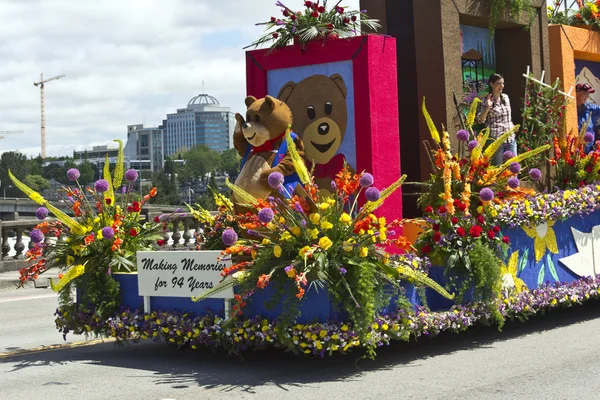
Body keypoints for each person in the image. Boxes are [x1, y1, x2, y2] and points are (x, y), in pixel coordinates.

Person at [477, 74, 517, 166]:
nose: (502, 86)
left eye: (503, 83)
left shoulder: (506, 98)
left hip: (510, 138)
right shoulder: (485, 100)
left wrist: (512, 125)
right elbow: (480, 120)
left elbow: (508, 116)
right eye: (499, 83)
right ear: (491, 84)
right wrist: (488, 106)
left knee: (513, 168)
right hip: (495, 139)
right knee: (496, 169)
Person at [576, 83, 600, 154]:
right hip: (575, 150)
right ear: (577, 93)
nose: (587, 96)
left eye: (588, 94)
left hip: (589, 150)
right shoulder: (570, 106)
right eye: (585, 93)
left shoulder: (590, 107)